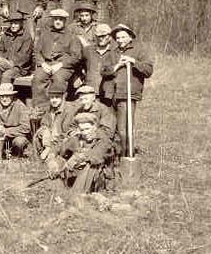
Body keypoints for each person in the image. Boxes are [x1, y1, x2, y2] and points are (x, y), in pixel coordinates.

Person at [100, 24, 154, 156]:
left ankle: (126, 156)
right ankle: (113, 154)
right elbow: (103, 71)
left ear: (130, 37)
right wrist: (117, 65)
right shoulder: (112, 53)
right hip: (110, 94)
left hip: (127, 94)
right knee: (112, 127)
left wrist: (133, 61)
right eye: (117, 38)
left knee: (124, 129)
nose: (120, 40)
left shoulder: (139, 51)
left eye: (123, 37)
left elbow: (148, 71)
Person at [49, 112, 113, 193]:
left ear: (95, 127)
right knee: (59, 160)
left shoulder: (103, 139)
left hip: (99, 178)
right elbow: (60, 147)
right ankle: (60, 190)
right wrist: (52, 159)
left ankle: (78, 194)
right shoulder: (78, 138)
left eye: (87, 129)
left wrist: (76, 158)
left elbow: (96, 157)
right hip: (78, 174)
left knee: (91, 165)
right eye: (82, 130)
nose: (85, 133)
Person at [31, 9, 81, 110]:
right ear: (52, 20)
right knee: (38, 77)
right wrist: (42, 63)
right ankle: (40, 109)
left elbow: (76, 56)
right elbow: (36, 52)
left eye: (60, 19)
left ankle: (58, 108)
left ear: (65, 21)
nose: (58, 21)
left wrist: (61, 64)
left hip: (63, 66)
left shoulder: (72, 36)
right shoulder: (45, 34)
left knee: (58, 78)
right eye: (55, 19)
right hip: (47, 64)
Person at [0, 12, 33, 98]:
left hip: (20, 67)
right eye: (11, 23)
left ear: (21, 24)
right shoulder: (6, 35)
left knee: (6, 75)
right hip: (4, 63)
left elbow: (25, 56)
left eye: (16, 23)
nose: (13, 26)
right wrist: (0, 58)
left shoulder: (26, 37)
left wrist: (10, 63)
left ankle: (6, 99)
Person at [0, 83, 31, 158]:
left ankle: (16, 155)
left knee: (20, 142)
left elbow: (26, 127)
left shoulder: (20, 106)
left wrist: (6, 131)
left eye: (7, 96)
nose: (4, 99)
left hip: (15, 136)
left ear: (12, 96)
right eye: (2, 96)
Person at [34, 83, 75, 162]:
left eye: (57, 97)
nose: (54, 100)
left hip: (61, 139)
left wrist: (54, 142)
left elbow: (66, 131)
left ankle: (53, 153)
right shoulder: (50, 109)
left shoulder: (68, 110)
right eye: (52, 97)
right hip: (49, 138)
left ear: (63, 98)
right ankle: (46, 149)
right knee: (42, 131)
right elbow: (44, 123)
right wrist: (44, 131)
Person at [82, 23, 115, 104]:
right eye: (98, 36)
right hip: (91, 90)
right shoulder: (87, 50)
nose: (101, 38)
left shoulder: (115, 51)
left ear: (110, 37)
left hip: (108, 93)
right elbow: (78, 63)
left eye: (103, 36)